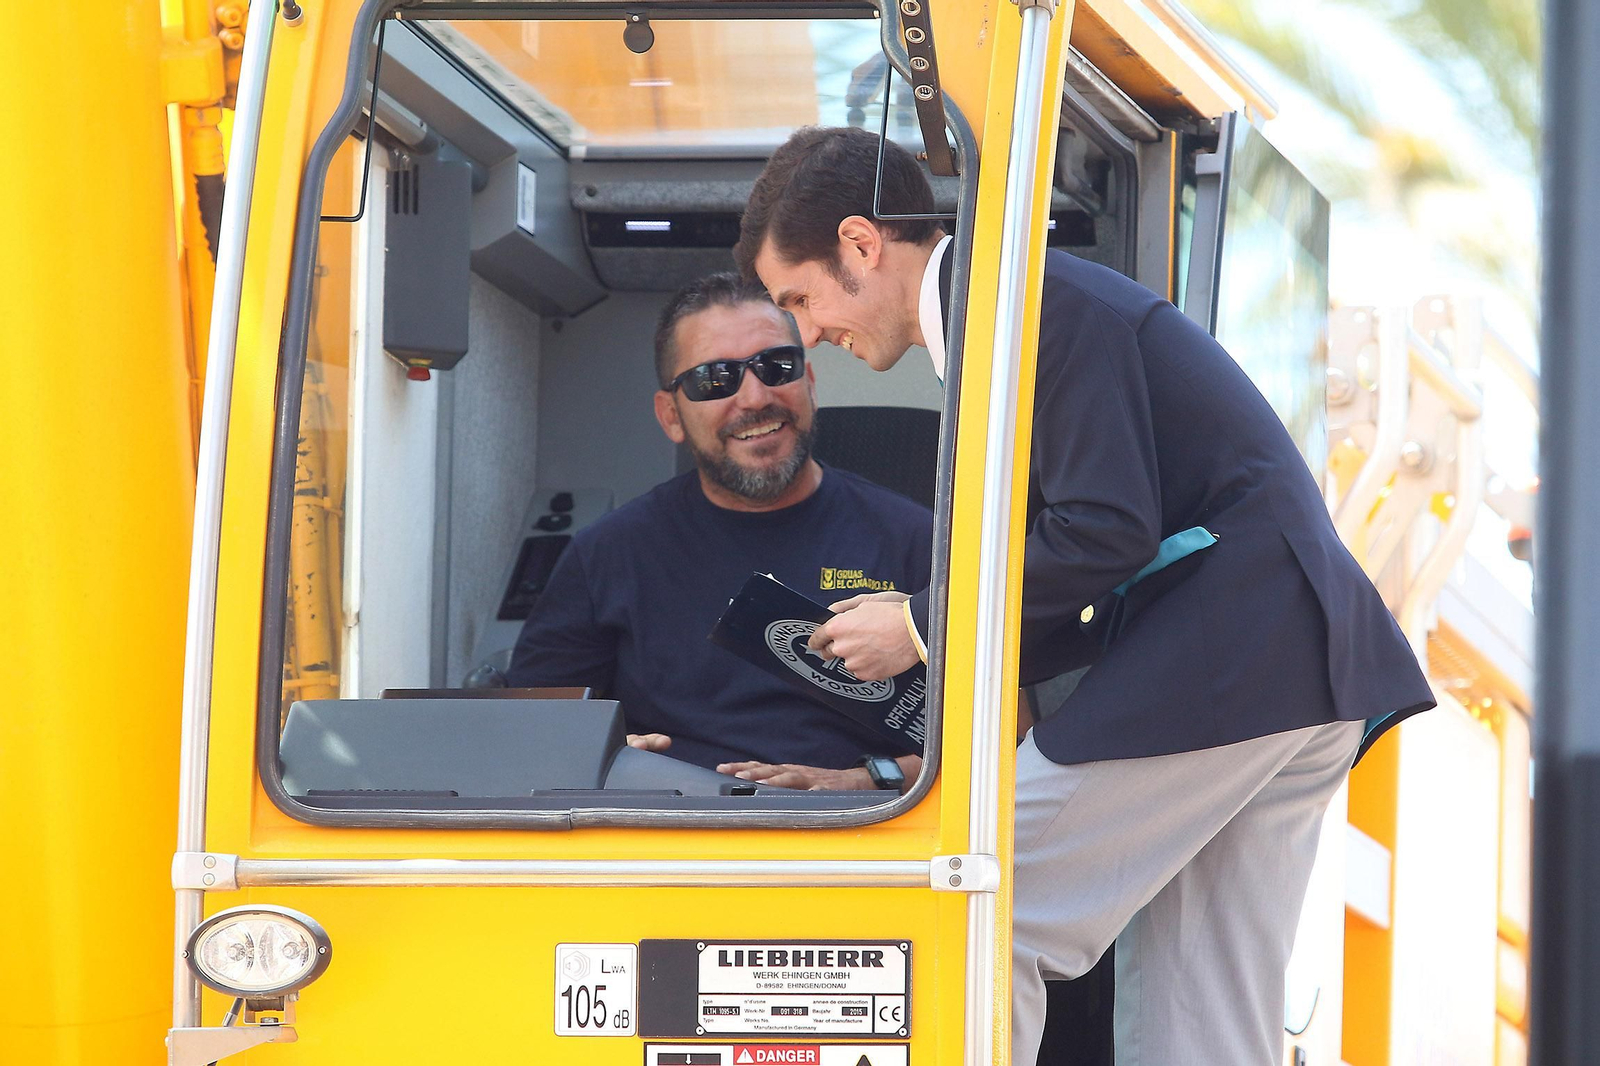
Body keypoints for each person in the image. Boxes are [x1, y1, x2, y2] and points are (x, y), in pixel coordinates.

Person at [733, 126, 1435, 1065]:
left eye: (799, 298)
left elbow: (1106, 532)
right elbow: (1107, 548)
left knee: (982, 904)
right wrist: (921, 635)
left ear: (862, 244)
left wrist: (917, 623)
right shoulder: (1024, 307)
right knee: (1203, 1000)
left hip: (1237, 654)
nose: (807, 333)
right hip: (1297, 662)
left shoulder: (1031, 309)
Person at [506, 272, 932, 792]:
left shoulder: (916, 539)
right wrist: (602, 758)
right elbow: (528, 736)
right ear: (671, 416)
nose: (754, 398)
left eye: (776, 367)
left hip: (869, 840)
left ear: (811, 384)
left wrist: (865, 782)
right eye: (715, 379)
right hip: (672, 844)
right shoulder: (608, 555)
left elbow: (1005, 735)